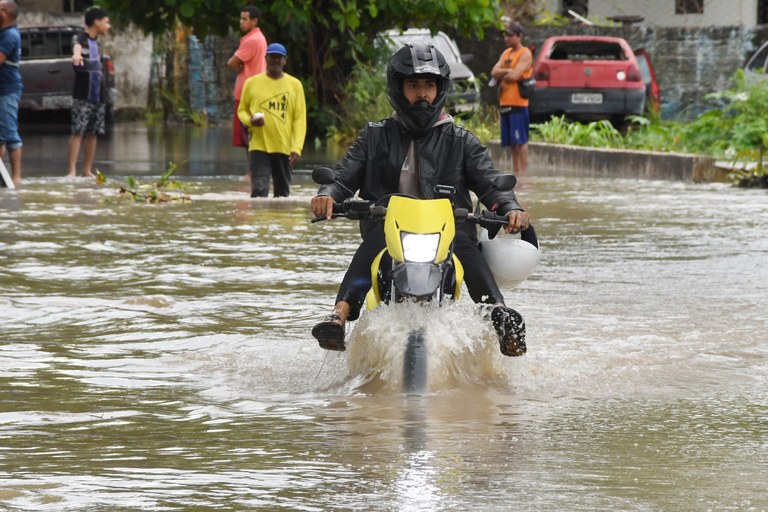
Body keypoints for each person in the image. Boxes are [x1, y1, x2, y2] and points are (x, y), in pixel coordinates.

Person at [310, 42, 531, 357]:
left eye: (429, 85)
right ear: (398, 88)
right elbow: (344, 176)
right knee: (370, 246)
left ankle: (500, 313)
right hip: (390, 233)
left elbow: (491, 182)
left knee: (469, 250)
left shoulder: (462, 141)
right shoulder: (374, 136)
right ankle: (339, 316)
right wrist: (327, 195)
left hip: (447, 233)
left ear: (440, 89)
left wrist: (510, 208)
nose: (422, 93)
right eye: (413, 85)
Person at [237, 43, 306, 198]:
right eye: (272, 57)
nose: (275, 61)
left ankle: (279, 221)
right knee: (259, 190)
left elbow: (299, 119)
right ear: (265, 59)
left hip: (284, 147)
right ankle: (259, 222)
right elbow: (241, 111)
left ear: (285, 60)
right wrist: (250, 120)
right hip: (258, 146)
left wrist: (297, 148)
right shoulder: (251, 83)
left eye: (279, 57)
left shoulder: (295, 85)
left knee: (282, 194)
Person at [66, 6, 111, 179]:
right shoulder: (80, 38)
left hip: (98, 94)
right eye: (106, 22)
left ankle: (87, 169)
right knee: (78, 131)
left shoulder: (98, 45)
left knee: (93, 132)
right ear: (96, 22)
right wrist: (76, 56)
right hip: (82, 93)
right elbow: (76, 47)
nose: (108, 26)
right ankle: (72, 170)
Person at [226, 5, 266, 179]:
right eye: (240, 18)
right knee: (249, 134)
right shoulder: (259, 38)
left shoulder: (252, 40)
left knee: (247, 136)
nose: (241, 22)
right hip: (254, 91)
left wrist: (239, 64)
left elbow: (231, 63)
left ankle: (253, 173)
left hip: (247, 93)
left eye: (245, 19)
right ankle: (254, 172)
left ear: (254, 21)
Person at [491, 21, 533, 176]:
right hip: (505, 101)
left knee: (520, 141)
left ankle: (523, 175)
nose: (507, 38)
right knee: (511, 144)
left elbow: (515, 75)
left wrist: (504, 73)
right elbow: (494, 72)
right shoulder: (506, 53)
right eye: (505, 35)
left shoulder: (525, 53)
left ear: (519, 36)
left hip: (518, 103)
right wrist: (508, 70)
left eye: (510, 35)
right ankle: (515, 173)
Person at [0, 0, 22, 186]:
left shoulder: (10, 36)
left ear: (5, 12)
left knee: (10, 133)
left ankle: (16, 177)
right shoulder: (3, 33)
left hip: (7, 90)